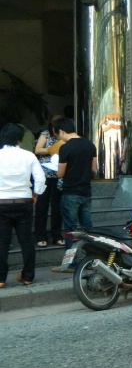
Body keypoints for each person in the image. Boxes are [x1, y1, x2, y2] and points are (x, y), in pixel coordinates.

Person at [0, 123, 46, 287]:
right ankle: (27, 276)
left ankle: (1, 279)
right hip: (24, 201)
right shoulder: (29, 156)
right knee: (26, 241)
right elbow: (40, 179)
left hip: (2, 202)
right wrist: (35, 195)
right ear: (20, 140)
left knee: (2, 242)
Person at [53, 117, 97, 272]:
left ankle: (70, 263)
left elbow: (60, 173)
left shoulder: (65, 148)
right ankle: (93, 259)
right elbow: (94, 169)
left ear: (61, 131)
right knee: (88, 228)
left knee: (71, 231)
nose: (58, 138)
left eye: (57, 135)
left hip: (70, 192)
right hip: (86, 192)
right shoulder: (90, 145)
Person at [34, 114, 65, 247]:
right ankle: (41, 236)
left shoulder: (64, 136)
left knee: (57, 208)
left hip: (59, 176)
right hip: (44, 176)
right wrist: (51, 150)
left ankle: (56, 235)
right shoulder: (45, 134)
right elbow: (37, 150)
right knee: (42, 207)